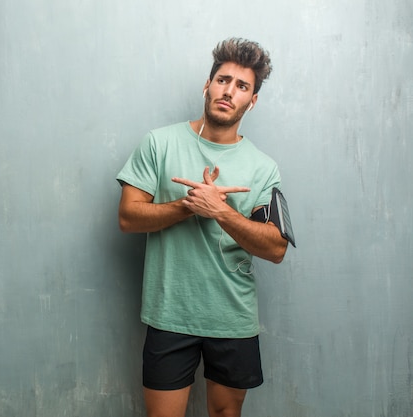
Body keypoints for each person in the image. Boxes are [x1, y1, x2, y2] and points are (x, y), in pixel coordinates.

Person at [116, 38, 290, 417]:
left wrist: (221, 212)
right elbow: (128, 217)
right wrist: (188, 205)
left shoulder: (264, 168)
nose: (229, 91)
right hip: (170, 312)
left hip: (232, 317)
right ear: (207, 85)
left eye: (242, 86)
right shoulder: (158, 144)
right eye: (223, 80)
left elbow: (276, 248)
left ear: (252, 101)